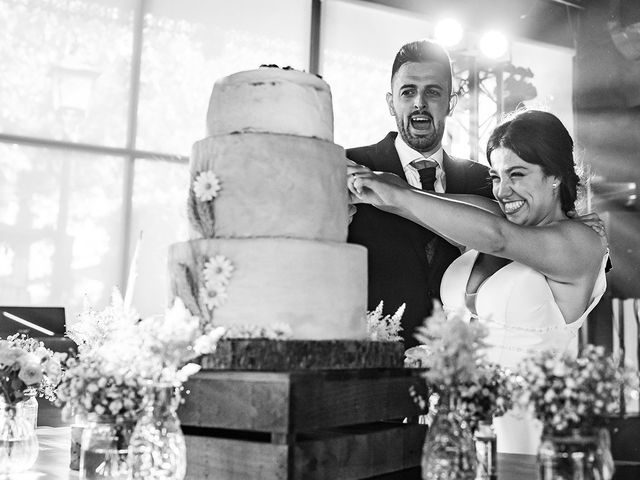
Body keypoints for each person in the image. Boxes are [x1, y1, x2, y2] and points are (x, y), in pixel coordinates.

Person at [348, 108, 609, 454]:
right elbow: (411, 204)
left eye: (517, 174)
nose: (503, 191)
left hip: (527, 440)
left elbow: (497, 238)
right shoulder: (492, 218)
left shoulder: (581, 243)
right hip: (456, 433)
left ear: (556, 176)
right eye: (497, 177)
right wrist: (359, 179)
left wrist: (399, 196)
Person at [347, 40, 493, 347]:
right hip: (371, 364)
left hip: (457, 367)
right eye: (408, 91)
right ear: (391, 103)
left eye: (433, 92)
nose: (419, 103)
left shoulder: (484, 181)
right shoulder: (350, 166)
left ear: (451, 103)